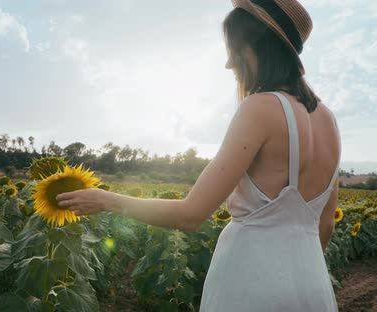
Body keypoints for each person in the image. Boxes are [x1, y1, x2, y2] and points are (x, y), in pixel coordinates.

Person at [56, 0, 341, 310]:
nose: (229, 65)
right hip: (312, 284)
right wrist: (296, 273)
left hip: (251, 282)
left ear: (252, 47)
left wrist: (108, 200)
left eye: (233, 50)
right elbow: (325, 226)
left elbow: (190, 215)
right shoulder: (329, 120)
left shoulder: (261, 107)